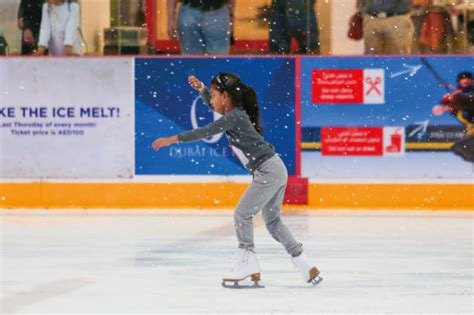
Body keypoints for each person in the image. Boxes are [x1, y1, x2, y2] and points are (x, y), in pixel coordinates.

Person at [151, 73, 322, 288]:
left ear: (225, 96)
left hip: (268, 170)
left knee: (242, 214)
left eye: (213, 96)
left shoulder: (235, 117)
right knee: (273, 221)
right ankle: (304, 263)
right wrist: (203, 89)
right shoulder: (236, 115)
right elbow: (217, 113)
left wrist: (173, 139)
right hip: (274, 168)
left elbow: (207, 130)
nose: (211, 101)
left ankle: (247, 260)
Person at [432, 72, 474, 161]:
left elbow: (469, 99)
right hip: (471, 134)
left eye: (468, 80)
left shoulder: (464, 96)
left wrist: (458, 97)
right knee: (459, 148)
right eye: (463, 81)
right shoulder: (458, 103)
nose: (465, 81)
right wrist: (446, 108)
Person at [167, 0, 235, 55]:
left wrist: (231, 18)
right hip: (189, 13)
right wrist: (170, 19)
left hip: (218, 13)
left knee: (218, 62)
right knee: (191, 62)